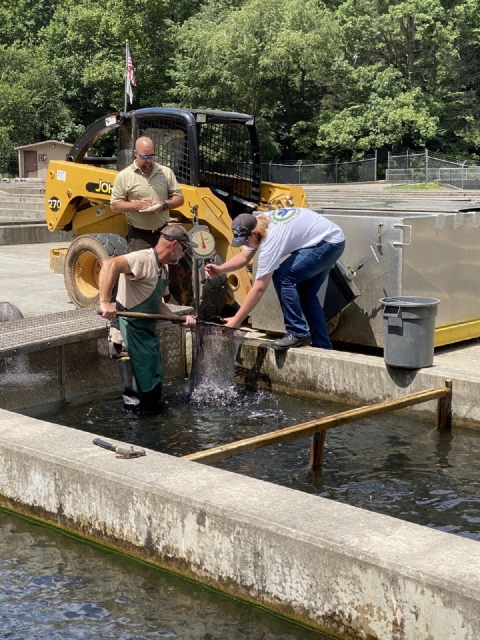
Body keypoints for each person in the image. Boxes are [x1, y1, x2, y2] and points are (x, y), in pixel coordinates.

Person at [205, 207, 345, 350]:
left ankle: (297, 332)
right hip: (331, 239)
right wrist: (220, 269)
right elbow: (244, 257)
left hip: (327, 243)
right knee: (307, 293)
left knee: (283, 276)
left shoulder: (271, 239)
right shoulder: (257, 224)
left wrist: (236, 320)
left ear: (253, 233)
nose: (244, 245)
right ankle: (322, 345)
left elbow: (259, 288)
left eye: (245, 241)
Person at [98, 224, 197, 411]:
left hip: (147, 335)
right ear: (174, 245)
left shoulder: (164, 268)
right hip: (128, 333)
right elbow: (109, 264)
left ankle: (152, 430)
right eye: (184, 249)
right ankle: (134, 434)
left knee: (152, 395)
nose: (184, 254)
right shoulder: (142, 259)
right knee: (135, 399)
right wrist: (104, 302)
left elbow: (157, 304)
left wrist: (178, 319)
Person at [110, 136, 185, 252]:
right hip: (139, 237)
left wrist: (164, 205)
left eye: (151, 156)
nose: (149, 160)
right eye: (144, 156)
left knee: (170, 269)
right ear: (135, 153)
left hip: (164, 234)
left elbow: (179, 199)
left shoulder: (165, 172)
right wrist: (138, 206)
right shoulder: (124, 176)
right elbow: (115, 205)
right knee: (140, 270)